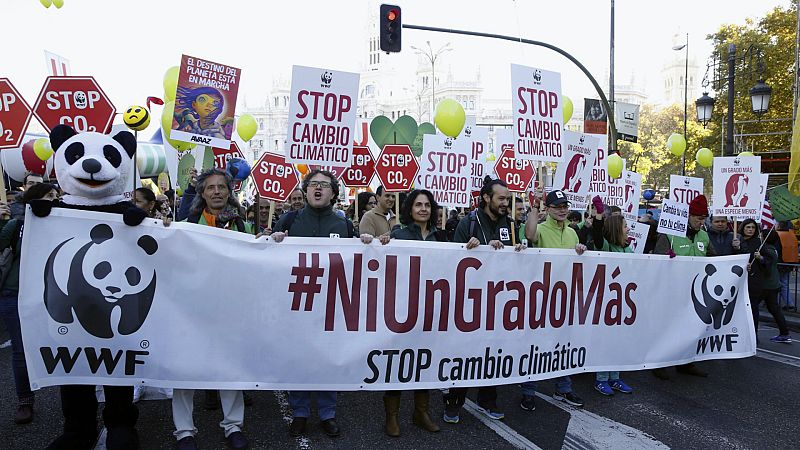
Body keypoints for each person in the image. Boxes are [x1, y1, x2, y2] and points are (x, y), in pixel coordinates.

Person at [271, 169, 386, 438]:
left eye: (324, 185)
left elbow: (356, 260)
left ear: (333, 193)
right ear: (306, 190)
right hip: (297, 303)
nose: (318, 189)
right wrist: (273, 240)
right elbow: (269, 258)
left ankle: (327, 413)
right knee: (298, 358)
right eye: (313, 185)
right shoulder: (289, 220)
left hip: (331, 304)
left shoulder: (343, 225)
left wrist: (367, 244)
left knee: (327, 358)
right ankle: (299, 412)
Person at [173, 168, 250, 450]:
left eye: (221, 187)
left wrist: (270, 242)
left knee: (229, 368)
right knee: (183, 370)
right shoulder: (186, 224)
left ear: (230, 192)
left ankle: (233, 426)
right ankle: (184, 431)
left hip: (230, 308)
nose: (216, 192)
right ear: (202, 194)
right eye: (210, 188)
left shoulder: (244, 225)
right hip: (191, 309)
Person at [446, 177, 525, 423]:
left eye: (507, 199)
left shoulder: (510, 224)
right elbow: (450, 259)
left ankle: (487, 399)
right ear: (486, 198)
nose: (505, 203)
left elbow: (514, 260)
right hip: (470, 300)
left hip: (499, 300)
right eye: (501, 198)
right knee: (465, 352)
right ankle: (454, 401)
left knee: (493, 351)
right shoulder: (468, 223)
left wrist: (518, 250)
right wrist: (471, 248)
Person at [382, 189, 444, 437]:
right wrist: (381, 243)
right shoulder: (398, 234)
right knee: (398, 361)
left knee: (424, 361)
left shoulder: (441, 237)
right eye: (418, 204)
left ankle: (421, 412)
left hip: (430, 308)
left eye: (427, 205)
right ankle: (392, 416)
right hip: (402, 307)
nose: (423, 209)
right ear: (410, 209)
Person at [522, 188, 587, 410]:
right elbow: (530, 235)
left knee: (564, 344)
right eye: (557, 207)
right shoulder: (540, 228)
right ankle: (529, 391)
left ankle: (564, 388)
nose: (562, 210)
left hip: (565, 298)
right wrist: (534, 206)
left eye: (565, 206)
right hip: (542, 298)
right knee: (537, 344)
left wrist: (580, 249)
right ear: (548, 209)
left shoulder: (573, 233)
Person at [0, 183, 58, 425]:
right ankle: (25, 401)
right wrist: (2, 221)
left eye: (57, 196)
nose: (54, 200)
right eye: (48, 196)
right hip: (15, 294)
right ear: (33, 201)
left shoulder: (65, 224)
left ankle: (72, 401)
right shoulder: (18, 225)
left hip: (54, 296)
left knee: (65, 345)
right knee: (21, 351)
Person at [652, 195, 714, 379]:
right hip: (672, 290)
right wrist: (666, 258)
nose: (701, 222)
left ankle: (685, 362)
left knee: (690, 327)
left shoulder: (704, 235)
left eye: (704, 219)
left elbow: (715, 259)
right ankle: (659, 363)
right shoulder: (669, 234)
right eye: (698, 218)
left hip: (694, 292)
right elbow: (656, 260)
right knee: (667, 328)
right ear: (688, 216)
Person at [588, 196, 635, 396]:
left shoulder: (628, 247)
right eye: (626, 227)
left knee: (618, 340)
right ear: (617, 229)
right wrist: (599, 215)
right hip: (604, 301)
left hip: (624, 300)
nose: (629, 230)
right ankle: (601, 379)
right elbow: (597, 236)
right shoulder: (606, 246)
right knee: (605, 340)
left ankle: (615, 378)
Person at [734, 221, 791, 343]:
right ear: (743, 228)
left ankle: (753, 336)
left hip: (754, 283)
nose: (750, 229)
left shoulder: (759, 243)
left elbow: (769, 261)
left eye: (753, 227)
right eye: (748, 227)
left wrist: (761, 259)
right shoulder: (735, 239)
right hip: (737, 281)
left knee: (753, 310)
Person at [775, 221, 798, 309]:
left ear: (780, 225)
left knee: (778, 284)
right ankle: (788, 303)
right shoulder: (792, 235)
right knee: (784, 283)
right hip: (789, 263)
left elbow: (776, 250)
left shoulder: (778, 235)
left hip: (780, 263)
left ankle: (781, 303)